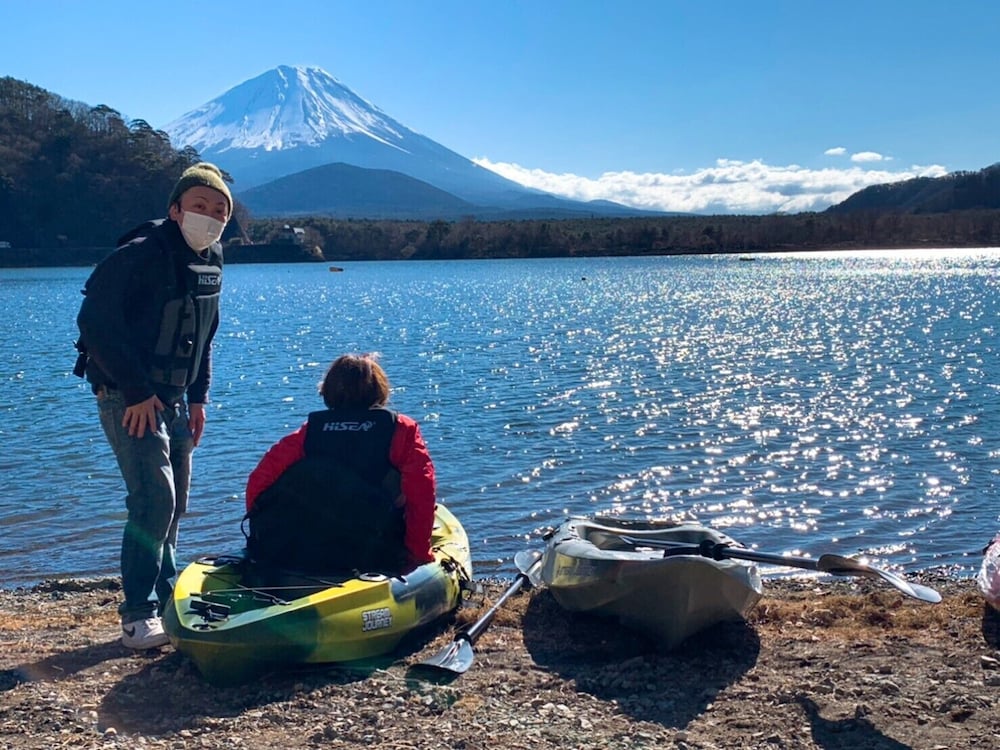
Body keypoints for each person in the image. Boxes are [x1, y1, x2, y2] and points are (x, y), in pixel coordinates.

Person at [75, 162, 231, 649]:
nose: (209, 216)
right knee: (152, 500)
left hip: (178, 400)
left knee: (175, 505)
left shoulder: (211, 260)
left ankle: (168, 599)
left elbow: (204, 336)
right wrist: (138, 391)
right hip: (130, 398)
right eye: (199, 206)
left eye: (219, 210)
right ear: (175, 209)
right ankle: (137, 616)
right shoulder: (138, 256)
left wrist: (199, 397)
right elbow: (94, 324)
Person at [244, 353, 436, 575]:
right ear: (380, 389)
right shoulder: (401, 429)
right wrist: (418, 554)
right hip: (373, 547)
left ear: (328, 390)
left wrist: (263, 536)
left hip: (311, 544)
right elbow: (421, 493)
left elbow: (258, 482)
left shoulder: (309, 433)